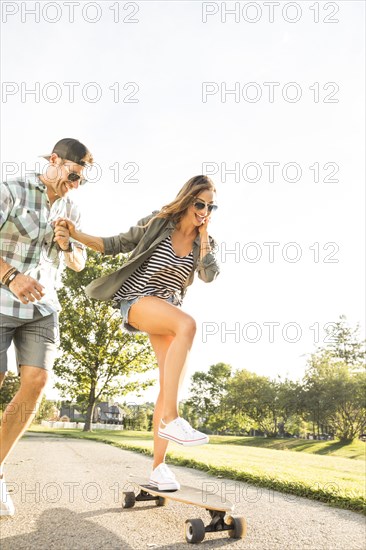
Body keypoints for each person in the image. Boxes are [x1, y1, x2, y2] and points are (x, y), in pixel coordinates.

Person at [56, 175, 219, 490]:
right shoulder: (158, 223)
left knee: (167, 386)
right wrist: (77, 234)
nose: (204, 210)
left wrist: (206, 239)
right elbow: (117, 244)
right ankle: (172, 420)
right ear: (187, 201)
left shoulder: (204, 242)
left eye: (211, 206)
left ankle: (158, 469)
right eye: (200, 203)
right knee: (188, 324)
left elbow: (209, 275)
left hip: (166, 309)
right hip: (137, 300)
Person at [0, 138, 92, 516]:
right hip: (3, 295)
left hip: (43, 305)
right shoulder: (12, 190)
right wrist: (10, 277)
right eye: (72, 174)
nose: (74, 183)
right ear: (54, 160)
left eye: (81, 180)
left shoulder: (71, 208)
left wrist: (69, 244)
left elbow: (79, 264)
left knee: (36, 381)